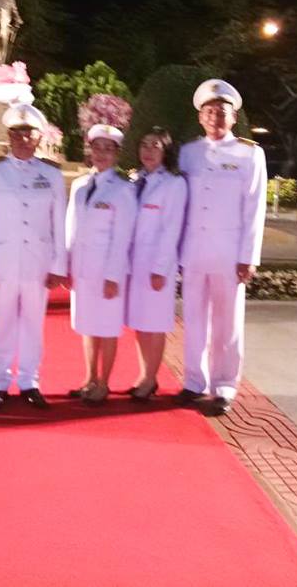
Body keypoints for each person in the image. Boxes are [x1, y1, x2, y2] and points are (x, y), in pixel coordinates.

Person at [175, 79, 267, 416]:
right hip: (193, 252)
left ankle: (224, 385)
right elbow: (180, 204)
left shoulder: (249, 153)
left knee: (227, 324)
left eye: (222, 111)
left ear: (234, 117)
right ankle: (193, 381)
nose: (216, 116)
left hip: (229, 254)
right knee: (194, 320)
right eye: (210, 111)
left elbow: (255, 208)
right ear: (200, 117)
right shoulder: (189, 153)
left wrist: (248, 256)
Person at [0, 104, 67, 411]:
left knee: (33, 325)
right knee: (2, 325)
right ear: (9, 136)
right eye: (17, 133)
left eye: (29, 133)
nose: (23, 139)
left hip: (38, 264)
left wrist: (58, 265)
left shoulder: (51, 174)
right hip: (2, 264)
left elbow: (58, 224)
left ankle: (29, 382)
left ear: (39, 137)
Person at [65, 124, 137, 405]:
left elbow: (122, 237)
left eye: (108, 149)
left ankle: (104, 383)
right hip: (82, 268)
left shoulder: (123, 189)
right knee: (87, 324)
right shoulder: (81, 185)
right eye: (97, 148)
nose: (102, 154)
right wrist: (67, 266)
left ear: (117, 154)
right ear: (90, 150)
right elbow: (71, 228)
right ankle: (89, 377)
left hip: (107, 270)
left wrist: (113, 275)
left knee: (106, 327)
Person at [125, 127, 187, 401]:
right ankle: (143, 374)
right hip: (134, 264)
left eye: (155, 146)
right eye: (145, 144)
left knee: (155, 323)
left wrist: (161, 268)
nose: (148, 150)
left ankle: (151, 379)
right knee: (140, 322)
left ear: (166, 151)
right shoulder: (134, 180)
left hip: (156, 265)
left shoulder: (173, 184)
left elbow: (171, 229)